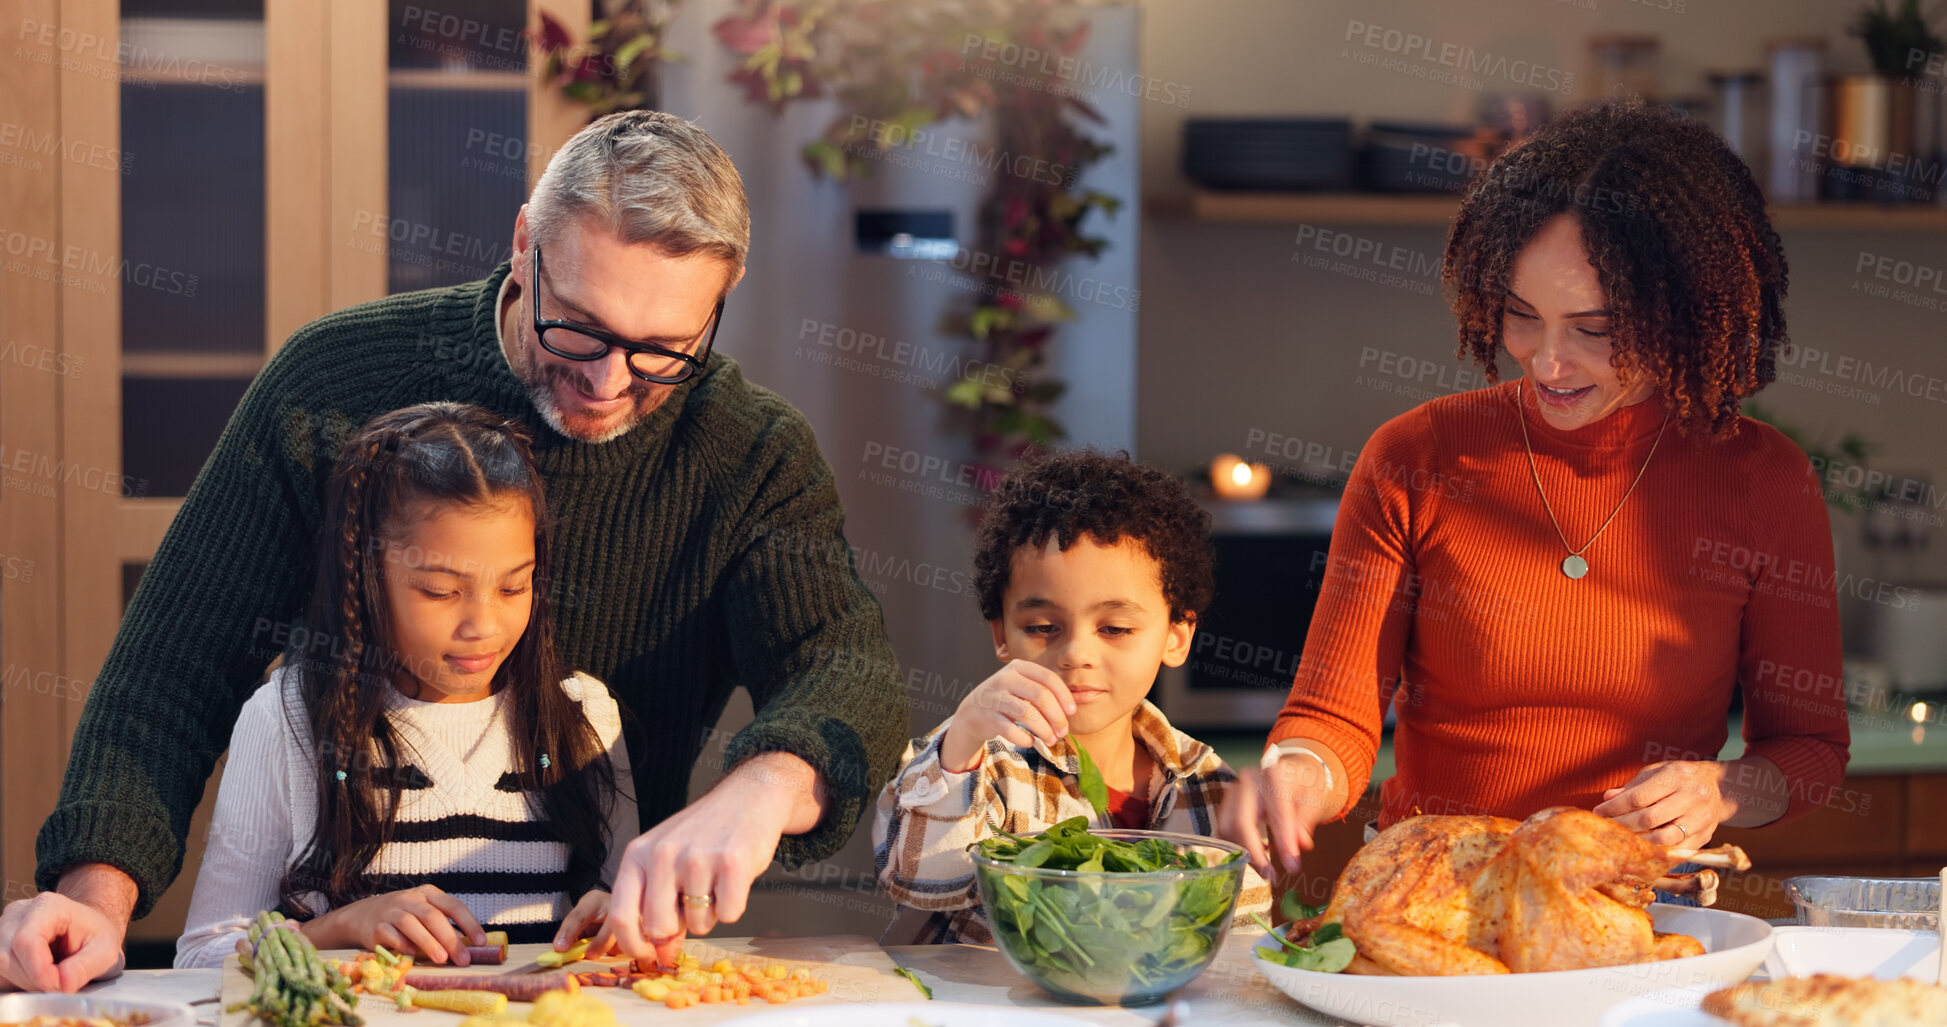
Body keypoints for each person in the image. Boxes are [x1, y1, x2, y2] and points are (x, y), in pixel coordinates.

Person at [1, 110, 905, 992]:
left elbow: (843, 667)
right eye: (579, 328)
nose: (606, 380)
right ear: (523, 245)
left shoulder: (752, 453)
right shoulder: (331, 381)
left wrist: (766, 785)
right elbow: (174, 668)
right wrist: (93, 896)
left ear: (724, 294)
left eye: (665, 350)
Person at [1221, 102, 1851, 883]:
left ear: (1684, 313)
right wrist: (1295, 772)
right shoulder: (1412, 457)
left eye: (1594, 329)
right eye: (1521, 317)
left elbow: (1810, 748)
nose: (1547, 361)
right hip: (1433, 893)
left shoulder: (1764, 480)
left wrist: (1721, 787)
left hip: (1636, 906)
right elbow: (1333, 718)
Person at [174, 403, 634, 968]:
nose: (483, 627)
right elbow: (203, 956)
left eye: (514, 588)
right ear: (366, 580)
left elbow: (628, 917)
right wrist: (338, 929)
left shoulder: (582, 714)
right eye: (441, 592)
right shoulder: (290, 719)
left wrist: (618, 918)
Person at [874, 450, 1272, 943]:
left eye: (1116, 627)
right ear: (1002, 634)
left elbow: (1240, 945)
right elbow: (918, 880)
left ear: (1176, 636)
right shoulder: (977, 761)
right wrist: (965, 736)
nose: (1076, 653)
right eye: (1043, 627)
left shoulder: (1210, 785)